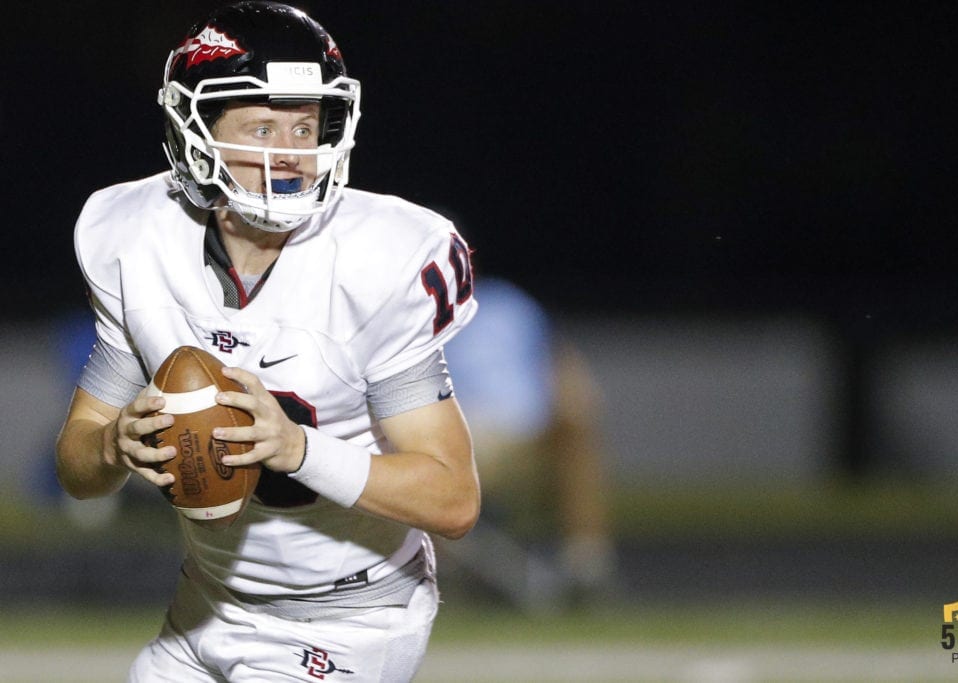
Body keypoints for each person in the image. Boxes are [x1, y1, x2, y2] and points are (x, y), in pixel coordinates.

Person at [54, 3, 479, 681]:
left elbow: (454, 498)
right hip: (206, 602)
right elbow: (78, 467)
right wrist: (114, 445)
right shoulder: (134, 236)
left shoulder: (380, 259)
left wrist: (297, 448)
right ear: (197, 133)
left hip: (349, 620)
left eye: (305, 126)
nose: (289, 154)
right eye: (260, 127)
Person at [439, 276, 617, 610]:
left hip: (525, 438)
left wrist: (573, 402)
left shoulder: (510, 302)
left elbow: (561, 365)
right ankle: (469, 568)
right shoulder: (414, 311)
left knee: (576, 427)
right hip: (455, 437)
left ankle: (585, 571)